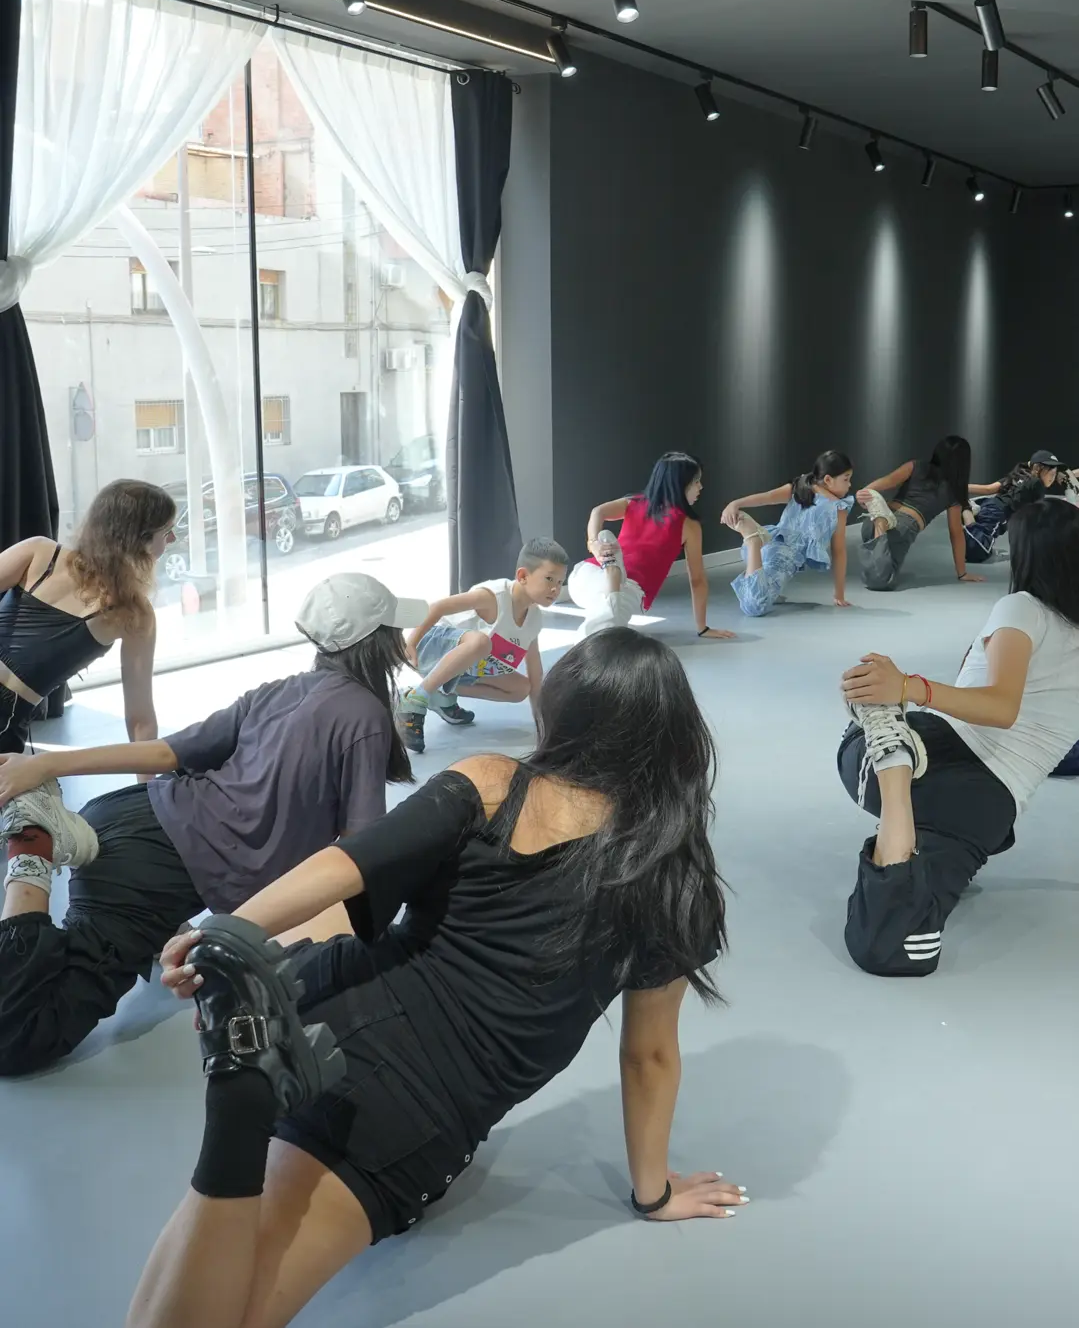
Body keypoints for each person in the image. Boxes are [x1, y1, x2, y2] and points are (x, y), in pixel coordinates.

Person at [123, 629, 746, 1328]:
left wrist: (228, 929)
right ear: (675, 740)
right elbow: (650, 1056)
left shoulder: (492, 782)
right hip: (410, 1106)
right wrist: (653, 1194)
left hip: (335, 997)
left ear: (561, 712)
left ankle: (255, 1057)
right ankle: (238, 1117)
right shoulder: (677, 882)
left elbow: (346, 865)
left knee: (347, 925)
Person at [0, 573, 424, 1076]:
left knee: (65, 964)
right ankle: (30, 851)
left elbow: (166, 752)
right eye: (395, 628)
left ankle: (140, 912)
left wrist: (49, 764)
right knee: (22, 1036)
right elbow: (357, 852)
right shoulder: (366, 715)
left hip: (132, 813)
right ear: (377, 642)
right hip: (151, 870)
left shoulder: (279, 691)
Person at [837, 498, 1079, 976]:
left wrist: (908, 688)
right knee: (893, 946)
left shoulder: (1022, 607)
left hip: (944, 759)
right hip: (989, 807)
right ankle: (901, 782)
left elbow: (1000, 707)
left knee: (856, 743)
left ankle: (894, 773)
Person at [0, 479, 175, 756]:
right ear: (138, 540)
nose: (172, 540)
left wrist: (145, 793)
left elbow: (140, 721)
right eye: (167, 532)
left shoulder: (41, 552)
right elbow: (140, 720)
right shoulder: (134, 613)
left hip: (7, 730)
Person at [396, 539, 568, 754]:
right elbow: (438, 607)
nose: (555, 588)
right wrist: (411, 643)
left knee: (521, 688)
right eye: (549, 578)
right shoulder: (493, 596)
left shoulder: (533, 619)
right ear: (523, 576)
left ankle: (440, 696)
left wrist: (542, 728)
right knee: (481, 642)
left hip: (465, 667)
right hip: (433, 645)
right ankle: (414, 699)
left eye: (560, 582)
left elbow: (535, 674)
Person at [567, 451, 735, 641]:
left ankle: (613, 573)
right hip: (629, 588)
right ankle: (614, 579)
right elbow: (697, 580)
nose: (700, 487)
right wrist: (702, 628)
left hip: (584, 577)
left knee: (608, 608)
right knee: (611, 620)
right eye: (696, 481)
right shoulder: (688, 525)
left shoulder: (634, 503)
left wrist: (594, 543)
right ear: (680, 484)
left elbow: (598, 511)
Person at [719, 450, 854, 617]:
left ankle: (757, 550)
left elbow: (766, 497)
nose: (849, 485)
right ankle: (752, 539)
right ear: (828, 480)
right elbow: (839, 551)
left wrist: (735, 504)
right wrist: (839, 594)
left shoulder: (801, 486)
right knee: (755, 607)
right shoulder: (837, 507)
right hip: (785, 555)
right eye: (846, 479)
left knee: (764, 585)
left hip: (770, 541)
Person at [856, 435, 986, 591]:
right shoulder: (953, 492)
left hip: (878, 517)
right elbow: (956, 534)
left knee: (873, 568)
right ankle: (880, 524)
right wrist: (962, 573)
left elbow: (887, 481)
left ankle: (878, 518)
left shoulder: (915, 466)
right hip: (901, 528)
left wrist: (865, 493)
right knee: (882, 581)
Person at [962, 450, 1063, 563]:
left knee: (980, 547)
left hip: (990, 505)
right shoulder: (1037, 484)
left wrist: (959, 487)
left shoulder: (1018, 475)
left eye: (1055, 474)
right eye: (1051, 474)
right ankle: (967, 509)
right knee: (978, 552)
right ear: (1037, 468)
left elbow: (988, 489)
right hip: (998, 514)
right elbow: (1038, 515)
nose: (1052, 478)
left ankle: (972, 511)